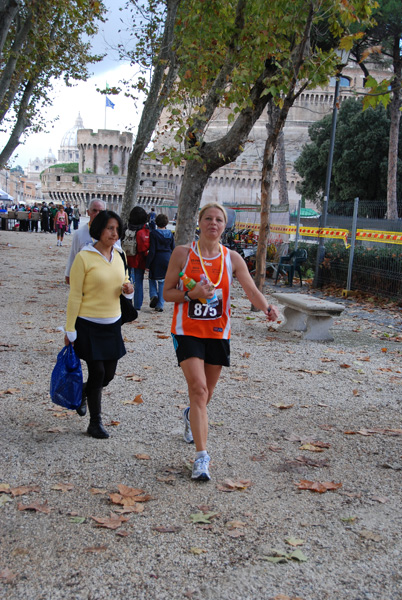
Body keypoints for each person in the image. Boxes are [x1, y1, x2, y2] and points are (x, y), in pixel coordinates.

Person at [163, 202, 279, 482]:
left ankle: (191, 415)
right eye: (208, 218)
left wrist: (267, 309)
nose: (213, 223)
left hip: (217, 332)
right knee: (199, 388)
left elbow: (250, 289)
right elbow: (167, 293)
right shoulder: (182, 253)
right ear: (199, 223)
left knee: (205, 396)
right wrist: (192, 295)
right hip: (187, 331)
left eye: (218, 220)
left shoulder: (232, 258)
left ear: (224, 226)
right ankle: (202, 458)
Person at [64, 210, 134, 439]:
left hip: (112, 323)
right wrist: (70, 329)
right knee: (98, 371)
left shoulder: (120, 254)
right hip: (88, 323)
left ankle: (84, 392)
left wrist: (128, 287)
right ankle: (95, 422)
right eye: (110, 228)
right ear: (99, 230)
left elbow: (124, 278)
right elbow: (75, 295)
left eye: (117, 229)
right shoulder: (84, 258)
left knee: (109, 374)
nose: (115, 233)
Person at [65, 198, 106, 284]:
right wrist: (68, 274)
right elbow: (73, 255)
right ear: (88, 212)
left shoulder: (113, 234)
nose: (97, 214)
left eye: (101, 211)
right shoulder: (79, 234)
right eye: (94, 210)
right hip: (85, 278)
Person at [146, 213, 175, 312]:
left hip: (156, 258)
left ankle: (153, 295)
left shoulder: (153, 233)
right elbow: (173, 248)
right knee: (163, 282)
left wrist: (148, 264)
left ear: (156, 222)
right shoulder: (170, 234)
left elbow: (152, 250)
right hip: (167, 258)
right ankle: (160, 305)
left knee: (152, 278)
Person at [125, 206, 150, 311]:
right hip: (139, 259)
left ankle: (127, 301)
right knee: (139, 281)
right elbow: (144, 247)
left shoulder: (126, 228)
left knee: (127, 279)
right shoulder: (144, 230)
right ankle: (137, 305)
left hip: (127, 257)